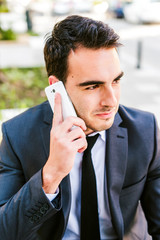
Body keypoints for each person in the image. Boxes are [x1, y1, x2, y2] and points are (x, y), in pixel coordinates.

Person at [0, 15, 160, 240]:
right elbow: (5, 232)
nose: (111, 101)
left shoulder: (145, 130)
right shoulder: (17, 135)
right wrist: (51, 175)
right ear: (57, 88)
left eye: (115, 81)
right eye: (93, 86)